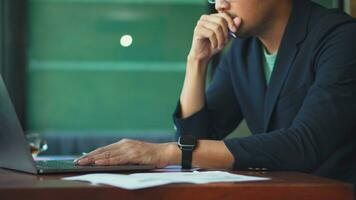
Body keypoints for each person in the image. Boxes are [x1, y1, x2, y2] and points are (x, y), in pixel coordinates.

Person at [75, 0, 356, 184]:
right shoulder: (243, 53)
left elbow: (304, 145)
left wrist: (166, 153)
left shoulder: (341, 38)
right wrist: (196, 62)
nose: (220, 4)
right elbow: (198, 142)